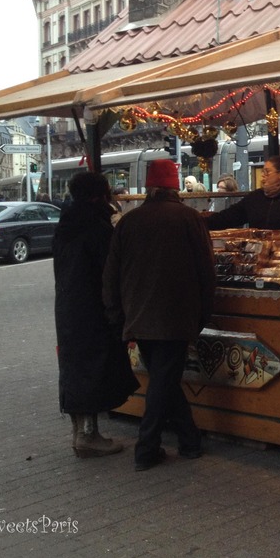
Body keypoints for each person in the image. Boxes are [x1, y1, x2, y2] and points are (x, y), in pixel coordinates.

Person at [103, 159, 216, 472]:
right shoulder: (190, 219)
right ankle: (146, 448)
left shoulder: (128, 221)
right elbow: (207, 272)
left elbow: (110, 274)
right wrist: (202, 316)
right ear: (175, 187)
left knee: (164, 379)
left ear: (148, 188)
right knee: (163, 382)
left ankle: (190, 442)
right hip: (177, 316)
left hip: (138, 316)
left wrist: (117, 315)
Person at [53, 172, 139, 458]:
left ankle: (80, 434)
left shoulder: (67, 222)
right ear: (100, 194)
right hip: (94, 310)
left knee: (75, 368)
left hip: (68, 310)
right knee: (93, 369)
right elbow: (112, 271)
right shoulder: (97, 226)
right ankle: (89, 436)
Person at [205, 155, 280, 234]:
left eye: (267, 172)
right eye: (263, 172)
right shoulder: (256, 198)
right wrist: (201, 223)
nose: (263, 176)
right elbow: (229, 216)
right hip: (260, 257)